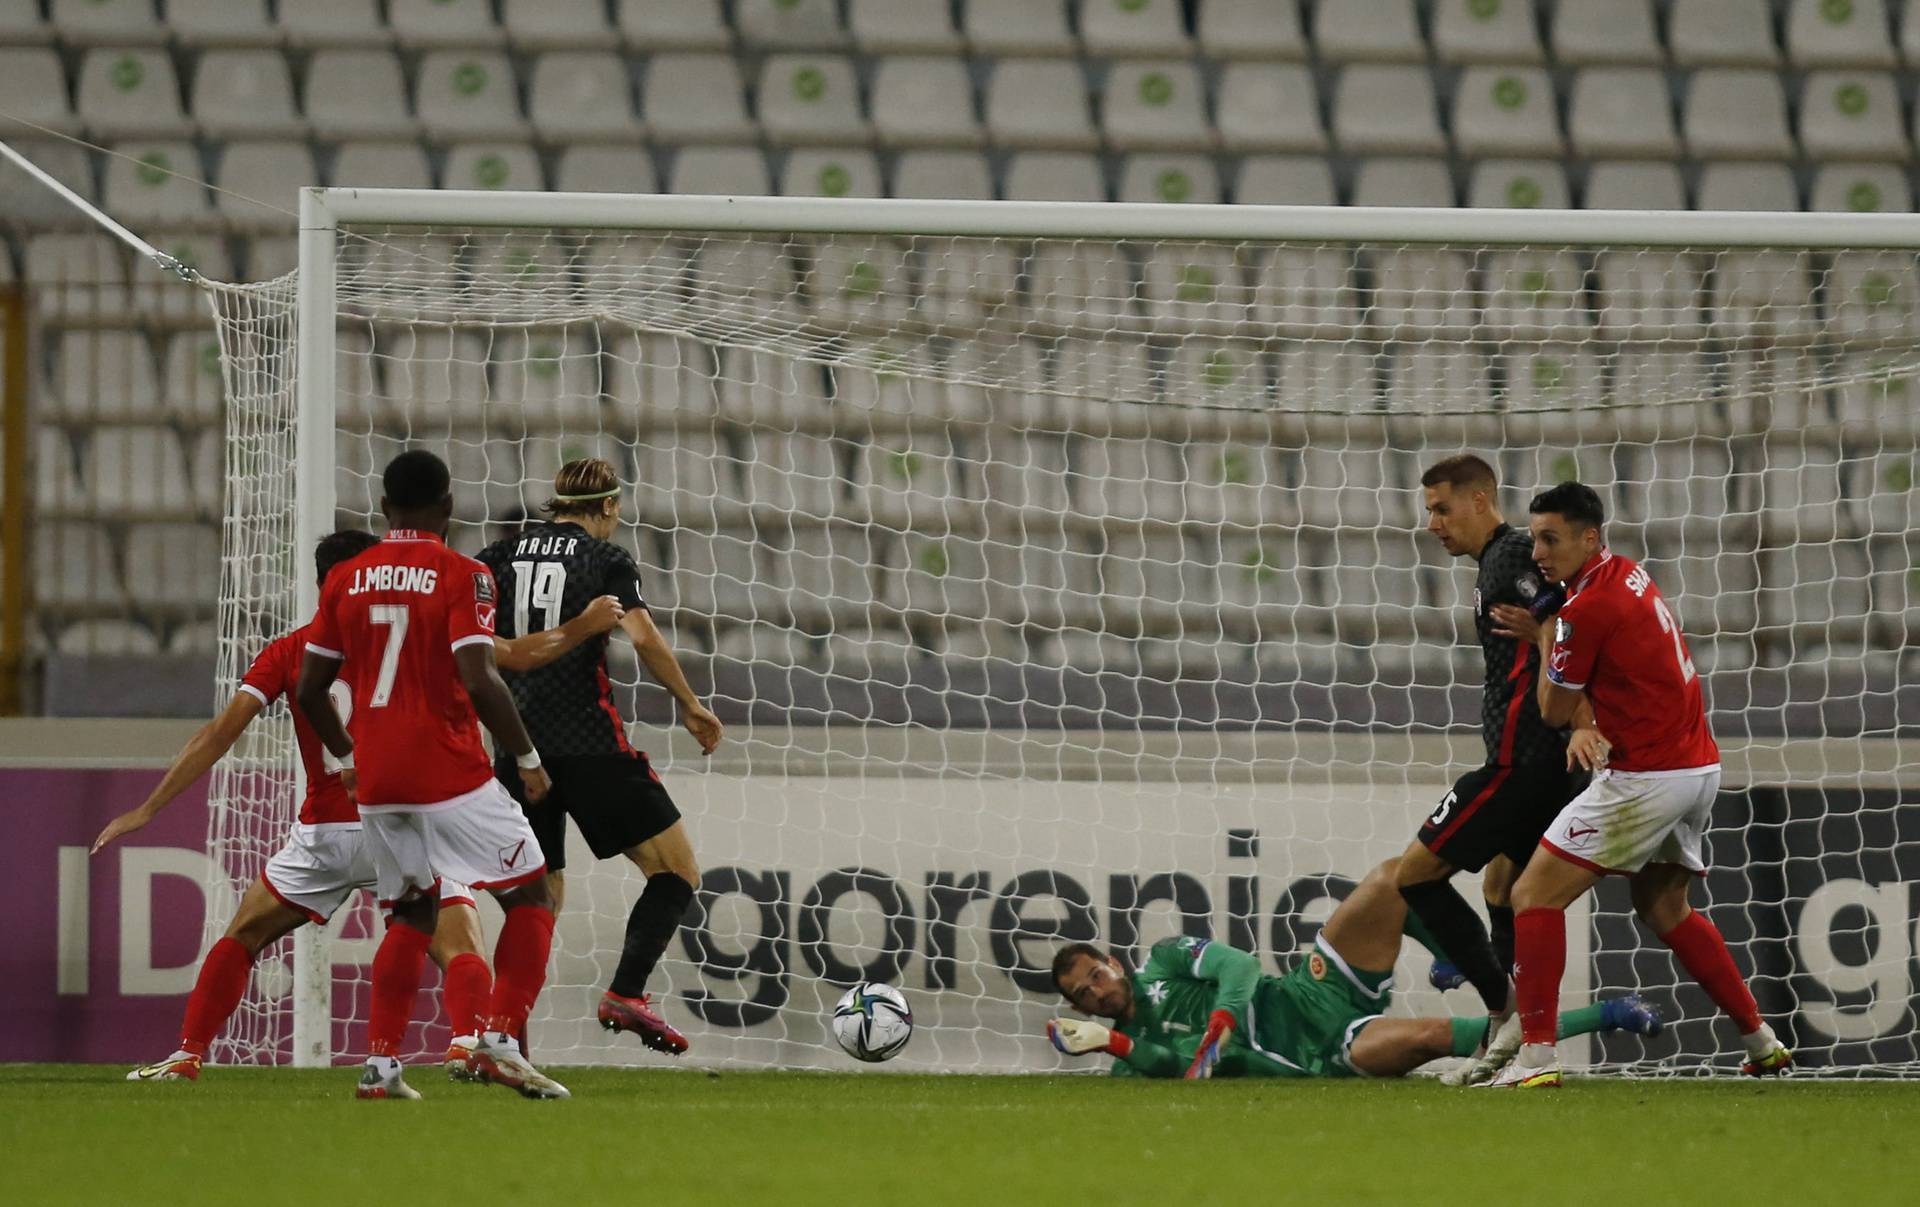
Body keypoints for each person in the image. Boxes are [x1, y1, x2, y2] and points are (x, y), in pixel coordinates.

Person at [102, 530, 624, 1083]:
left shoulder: (289, 650)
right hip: (403, 816)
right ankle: (467, 1045)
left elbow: (218, 734)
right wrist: (583, 626)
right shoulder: (430, 630)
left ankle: (188, 1053)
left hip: (326, 834)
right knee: (461, 945)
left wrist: (149, 807)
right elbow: (515, 657)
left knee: (243, 934)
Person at [1488, 481, 1792, 1088]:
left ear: (1589, 536)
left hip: (1648, 777)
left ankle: (1537, 1061)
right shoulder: (1628, 574)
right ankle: (1763, 1042)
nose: (1539, 552)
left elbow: (1552, 710)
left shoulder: (1584, 610)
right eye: (1536, 538)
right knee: (1663, 907)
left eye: (1551, 539)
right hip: (1698, 767)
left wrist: (1544, 635)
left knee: (1533, 895)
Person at [296, 450, 568, 1100]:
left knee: (413, 913)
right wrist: (527, 757)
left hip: (379, 779)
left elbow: (308, 691)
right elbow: (480, 676)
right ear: (448, 507)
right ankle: (499, 1039)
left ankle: (381, 1065)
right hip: (449, 772)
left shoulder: (344, 578)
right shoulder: (464, 573)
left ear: (385, 509)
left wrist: (347, 756)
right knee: (532, 894)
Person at [476, 457, 723, 1056]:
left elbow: (475, 645)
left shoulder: (495, 559)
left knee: (540, 901)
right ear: (609, 507)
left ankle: (499, 1038)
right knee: (677, 870)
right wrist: (690, 704)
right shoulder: (606, 561)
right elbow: (643, 638)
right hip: (589, 744)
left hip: (516, 747)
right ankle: (626, 993)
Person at [1046, 858, 1661, 1079]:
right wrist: (1115, 1044)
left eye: (1096, 975)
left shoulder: (1160, 961)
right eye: (1084, 995)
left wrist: (1225, 1016)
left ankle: (1462, 962)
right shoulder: (1137, 1054)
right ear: (1079, 1011)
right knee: (1432, 1038)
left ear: (1113, 962)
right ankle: (1609, 1013)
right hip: (1324, 1051)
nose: (1096, 991)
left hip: (1306, 988)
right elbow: (1177, 1068)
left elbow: (1236, 966)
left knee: (1395, 878)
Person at [1395, 454, 1605, 1084]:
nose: (1432, 522)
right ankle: (1508, 1046)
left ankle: (1505, 1011)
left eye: (1441, 508)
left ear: (1480, 500)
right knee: (1501, 890)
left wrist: (1585, 718)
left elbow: (1566, 622)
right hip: (1537, 763)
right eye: (1428, 509)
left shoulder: (1513, 556)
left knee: (1416, 876)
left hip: (1524, 764)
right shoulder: (1499, 561)